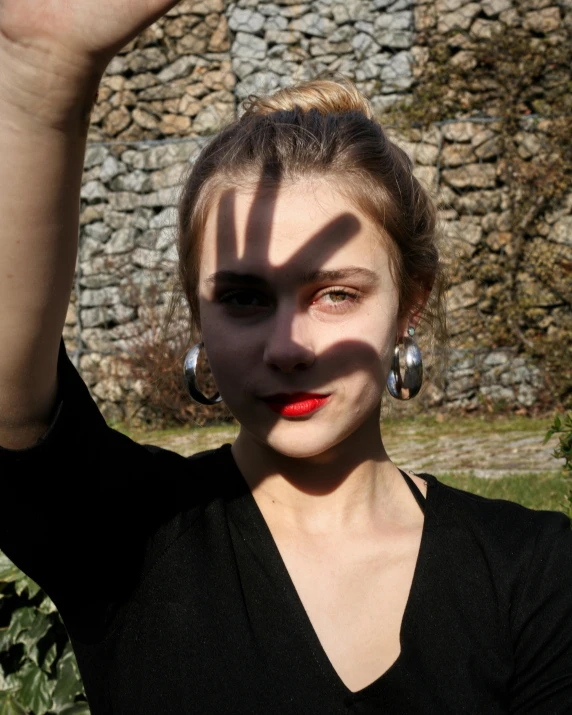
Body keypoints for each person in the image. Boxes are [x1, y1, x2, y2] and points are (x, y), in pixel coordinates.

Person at [0, 1, 570, 713]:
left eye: (335, 294)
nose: (288, 346)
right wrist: (38, 77)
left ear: (409, 303)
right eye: (242, 297)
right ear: (196, 311)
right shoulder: (130, 538)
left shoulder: (534, 569)